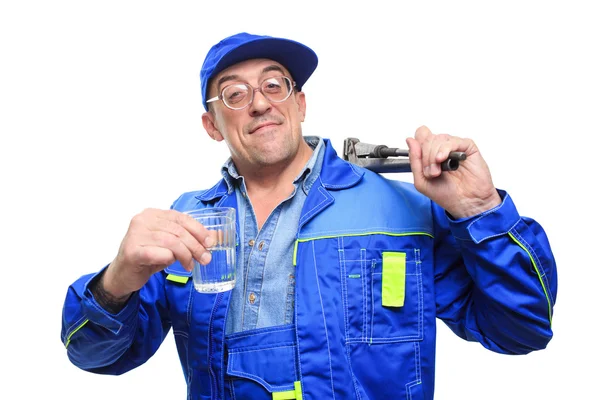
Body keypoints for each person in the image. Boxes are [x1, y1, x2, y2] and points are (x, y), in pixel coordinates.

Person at [60, 32, 558, 400]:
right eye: (234, 94)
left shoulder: (400, 213)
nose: (259, 103)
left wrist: (480, 211)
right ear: (213, 125)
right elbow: (94, 355)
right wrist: (116, 282)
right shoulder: (186, 224)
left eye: (275, 84)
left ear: (299, 104)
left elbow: (522, 329)